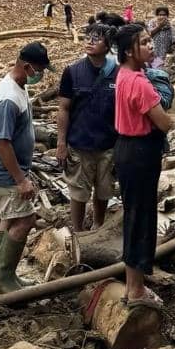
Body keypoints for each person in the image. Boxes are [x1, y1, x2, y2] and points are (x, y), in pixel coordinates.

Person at [0, 42, 53, 293]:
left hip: (4, 171)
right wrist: (20, 180)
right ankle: (3, 276)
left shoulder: (17, 87)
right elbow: (2, 143)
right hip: (2, 173)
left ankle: (2, 275)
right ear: (26, 65)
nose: (40, 75)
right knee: (25, 219)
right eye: (39, 69)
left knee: (9, 218)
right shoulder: (8, 98)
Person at [114, 23, 173, 307]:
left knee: (134, 216)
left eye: (151, 40)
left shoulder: (125, 74)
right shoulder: (139, 83)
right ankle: (136, 291)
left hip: (127, 149)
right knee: (141, 218)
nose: (151, 45)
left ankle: (132, 285)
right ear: (129, 50)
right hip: (140, 152)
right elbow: (164, 121)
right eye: (145, 42)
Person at [57, 23, 119, 231]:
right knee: (78, 191)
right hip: (79, 143)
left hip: (108, 144)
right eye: (88, 37)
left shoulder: (118, 74)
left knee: (103, 190)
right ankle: (77, 231)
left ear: (108, 45)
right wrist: (61, 143)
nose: (90, 41)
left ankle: (98, 226)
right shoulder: (72, 72)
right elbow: (64, 108)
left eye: (97, 38)